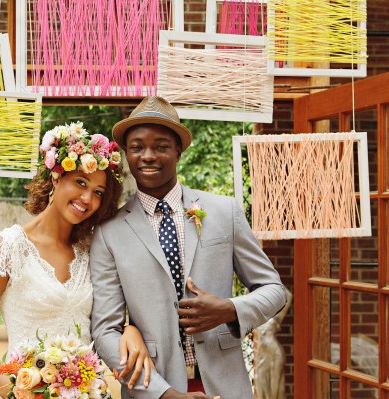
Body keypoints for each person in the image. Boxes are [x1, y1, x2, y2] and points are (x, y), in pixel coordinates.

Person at [90, 96, 287, 399]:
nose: (148, 156)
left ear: (179, 151)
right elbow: (105, 331)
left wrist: (229, 309)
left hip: (226, 386)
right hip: (153, 389)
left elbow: (273, 289)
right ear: (126, 154)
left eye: (162, 146)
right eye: (137, 147)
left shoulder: (224, 211)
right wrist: (165, 394)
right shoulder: (108, 232)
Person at [0, 122, 155, 398]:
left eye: (98, 192)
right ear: (55, 178)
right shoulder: (9, 247)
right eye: (81, 182)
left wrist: (129, 329)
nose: (87, 198)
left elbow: (104, 320)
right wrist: (12, 390)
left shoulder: (94, 251)